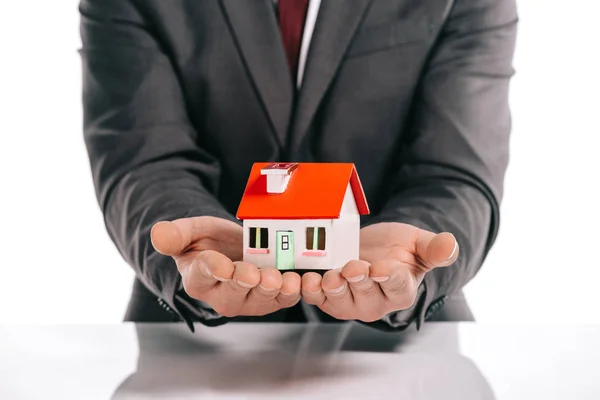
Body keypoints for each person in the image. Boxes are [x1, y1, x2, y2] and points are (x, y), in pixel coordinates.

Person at [79, 0, 517, 331]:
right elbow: (145, 159)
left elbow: (457, 171)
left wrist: (409, 259)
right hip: (190, 338)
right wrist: (197, 246)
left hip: (405, 344)